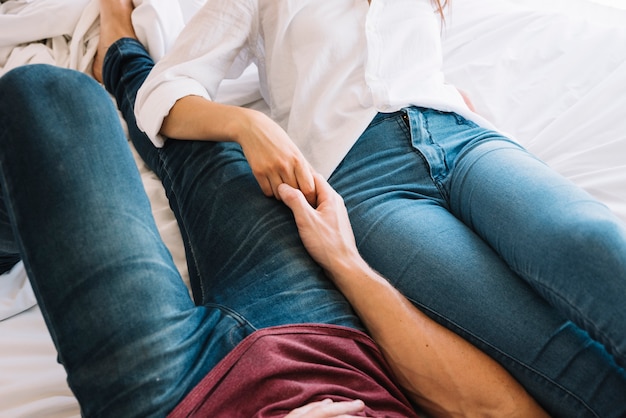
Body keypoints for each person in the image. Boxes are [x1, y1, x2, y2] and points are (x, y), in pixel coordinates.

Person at [96, 0, 626, 416]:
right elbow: (162, 95)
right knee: (543, 343)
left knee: (594, 240)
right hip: (366, 182)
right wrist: (248, 124)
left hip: (461, 139)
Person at [0, 62, 552, 416]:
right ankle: (120, 55)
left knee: (46, 96)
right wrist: (347, 264)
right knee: (217, 142)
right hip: (324, 345)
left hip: (174, 396)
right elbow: (500, 410)